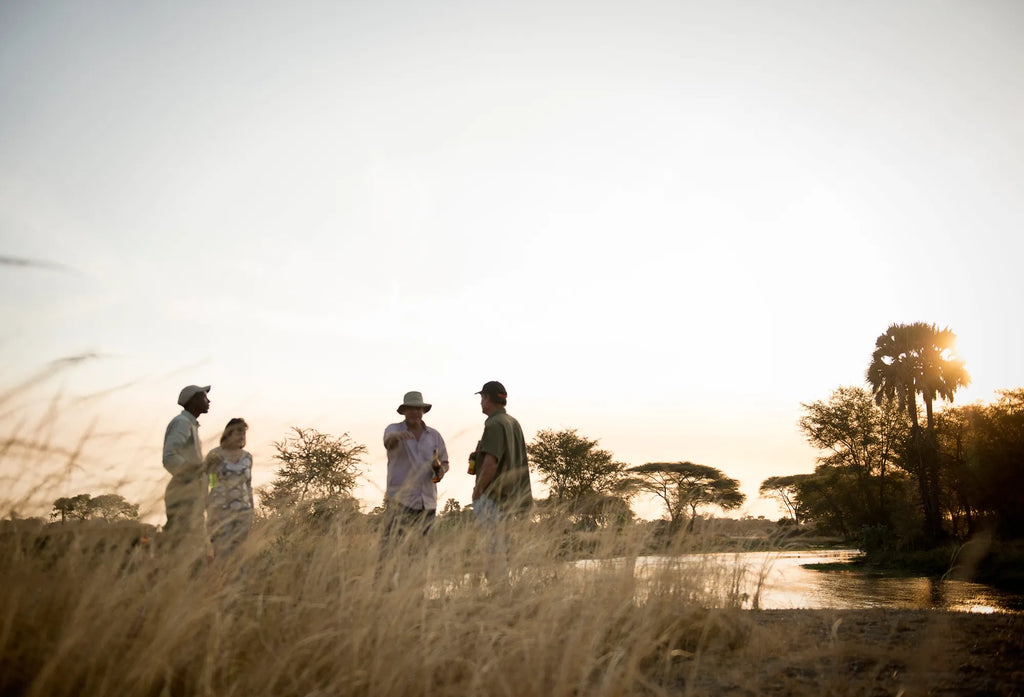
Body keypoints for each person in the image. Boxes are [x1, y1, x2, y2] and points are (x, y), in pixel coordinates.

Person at [471, 380, 532, 585]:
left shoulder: (494, 424)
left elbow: (491, 462)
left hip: (493, 497)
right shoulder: (512, 422)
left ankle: (499, 593)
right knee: (503, 548)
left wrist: (478, 491)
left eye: (482, 398)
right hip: (512, 497)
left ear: (487, 398)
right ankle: (505, 593)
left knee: (492, 548)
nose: (480, 403)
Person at [380, 391, 449, 561]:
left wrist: (441, 471)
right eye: (411, 408)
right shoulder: (393, 429)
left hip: (427, 503)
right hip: (399, 502)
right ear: (403, 411)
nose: (415, 412)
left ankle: (417, 587)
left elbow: (445, 462)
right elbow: (388, 442)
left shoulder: (434, 435)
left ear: (423, 411)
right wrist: (397, 437)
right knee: (392, 554)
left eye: (418, 409)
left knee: (421, 555)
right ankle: (390, 587)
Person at [162, 384, 211, 552]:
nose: (208, 401)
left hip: (191, 493)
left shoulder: (190, 425)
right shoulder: (182, 423)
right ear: (193, 401)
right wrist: (191, 474)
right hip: (184, 493)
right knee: (183, 546)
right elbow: (169, 457)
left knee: (192, 545)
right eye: (204, 397)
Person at [205, 418, 254, 558]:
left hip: (243, 512)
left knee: (238, 555)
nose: (241, 436)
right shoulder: (215, 455)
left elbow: (248, 484)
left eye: (243, 433)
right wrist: (211, 511)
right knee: (222, 553)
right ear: (228, 433)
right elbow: (211, 482)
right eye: (238, 432)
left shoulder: (247, 457)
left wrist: (251, 509)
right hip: (221, 512)